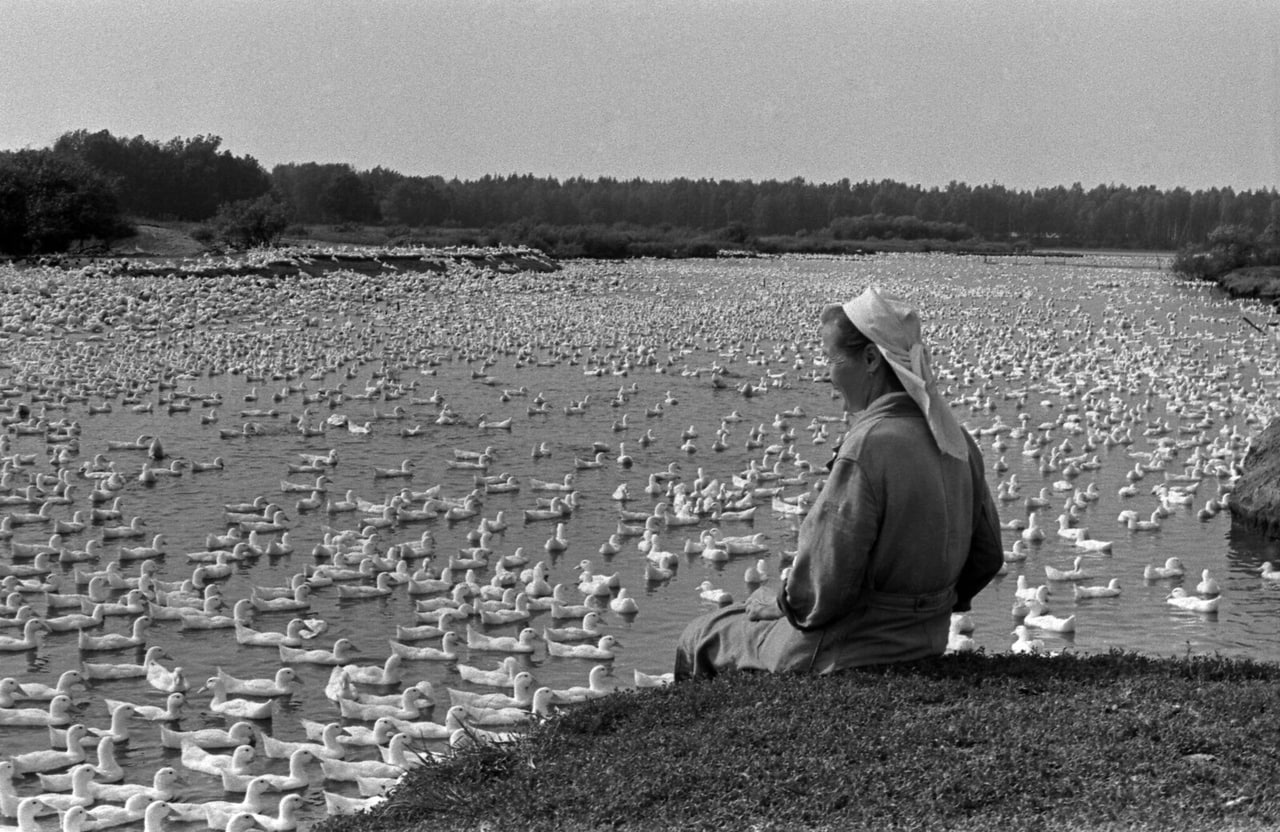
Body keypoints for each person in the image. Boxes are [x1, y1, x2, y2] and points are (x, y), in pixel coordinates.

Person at [674, 286, 1003, 679]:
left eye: (832, 360)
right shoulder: (956, 438)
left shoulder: (868, 447)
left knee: (702, 634)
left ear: (869, 359)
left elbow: (822, 588)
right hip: (928, 638)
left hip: (852, 646)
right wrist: (927, 610)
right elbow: (987, 556)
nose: (827, 376)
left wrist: (779, 602)